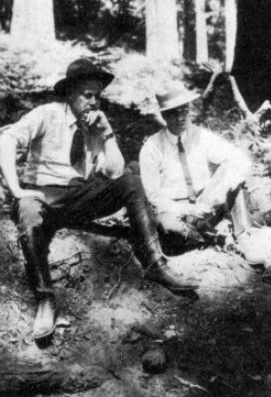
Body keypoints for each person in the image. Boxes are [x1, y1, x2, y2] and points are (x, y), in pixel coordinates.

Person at [0, 58, 199, 341]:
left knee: (131, 180)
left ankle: (156, 265)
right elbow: (6, 140)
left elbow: (115, 171)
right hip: (44, 196)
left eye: (98, 96)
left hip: (81, 199)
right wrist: (17, 190)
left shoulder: (95, 124)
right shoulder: (47, 114)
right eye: (87, 95)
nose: (94, 102)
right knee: (29, 211)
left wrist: (107, 134)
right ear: (70, 93)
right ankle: (45, 299)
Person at [139, 85, 252, 252]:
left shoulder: (200, 136)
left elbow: (239, 159)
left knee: (235, 176)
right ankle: (214, 238)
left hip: (207, 204)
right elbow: (154, 196)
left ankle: (244, 239)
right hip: (177, 212)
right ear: (163, 115)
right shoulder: (152, 148)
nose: (180, 118)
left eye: (184, 111)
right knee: (167, 226)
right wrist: (188, 209)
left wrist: (214, 197)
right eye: (173, 113)